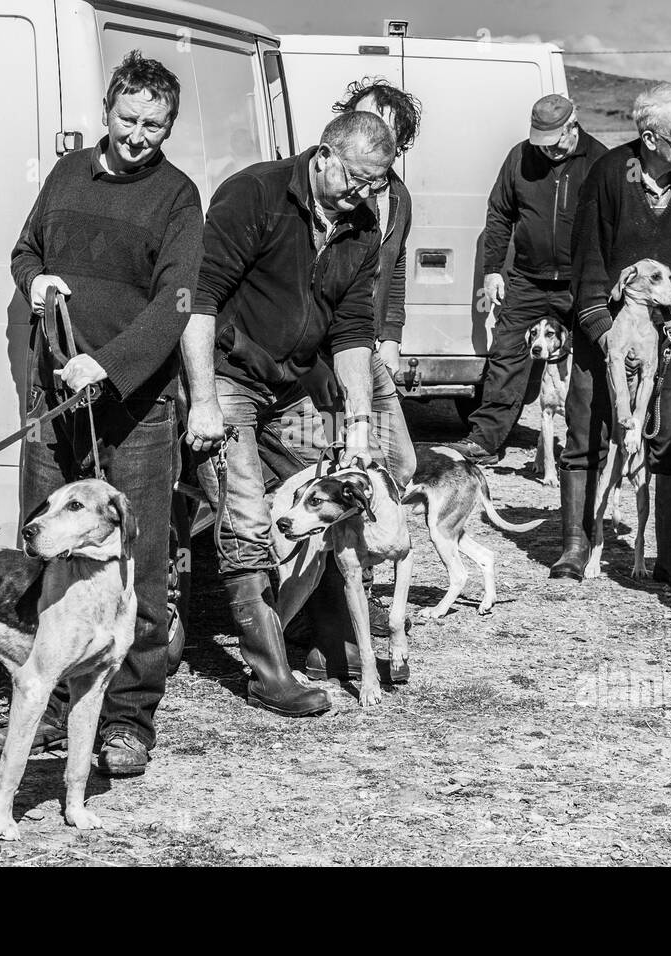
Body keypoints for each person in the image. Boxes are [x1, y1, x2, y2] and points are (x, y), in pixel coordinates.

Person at [0, 51, 203, 776]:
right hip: (53, 402)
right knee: (42, 547)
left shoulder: (178, 197)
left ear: (168, 124)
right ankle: (45, 701)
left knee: (138, 565)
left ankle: (128, 717)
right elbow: (23, 251)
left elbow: (176, 303)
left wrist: (108, 366)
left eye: (154, 123)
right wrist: (37, 278)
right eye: (128, 118)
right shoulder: (65, 175)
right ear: (107, 110)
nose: (139, 133)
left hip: (135, 410)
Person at [182, 110, 393, 717]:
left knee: (331, 484)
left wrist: (357, 421)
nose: (362, 195)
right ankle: (269, 672)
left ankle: (323, 635)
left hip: (295, 383)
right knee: (246, 509)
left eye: (375, 184)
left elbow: (354, 328)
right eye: (355, 179)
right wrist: (201, 401)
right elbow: (200, 300)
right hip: (227, 375)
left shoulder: (361, 224)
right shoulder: (257, 194)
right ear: (322, 155)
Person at [272, 78, 423, 674]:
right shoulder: (326, 192)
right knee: (325, 468)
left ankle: (367, 604)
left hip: (370, 347)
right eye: (363, 118)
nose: (374, 129)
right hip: (327, 354)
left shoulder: (397, 199)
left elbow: (397, 273)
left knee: (399, 467)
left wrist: (392, 332)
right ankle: (320, 630)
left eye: (387, 126)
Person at [551, 82, 671, 586]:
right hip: (604, 330)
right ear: (650, 138)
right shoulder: (608, 174)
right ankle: (574, 546)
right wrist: (605, 334)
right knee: (587, 432)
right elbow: (585, 260)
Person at [448, 93, 607, 465]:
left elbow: (612, 223)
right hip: (527, 279)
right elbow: (500, 213)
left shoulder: (600, 160)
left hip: (579, 282)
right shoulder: (520, 157)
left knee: (589, 358)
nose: (547, 152)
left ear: (573, 126)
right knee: (506, 355)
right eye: (542, 144)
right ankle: (485, 441)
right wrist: (491, 270)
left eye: (554, 144)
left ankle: (589, 443)